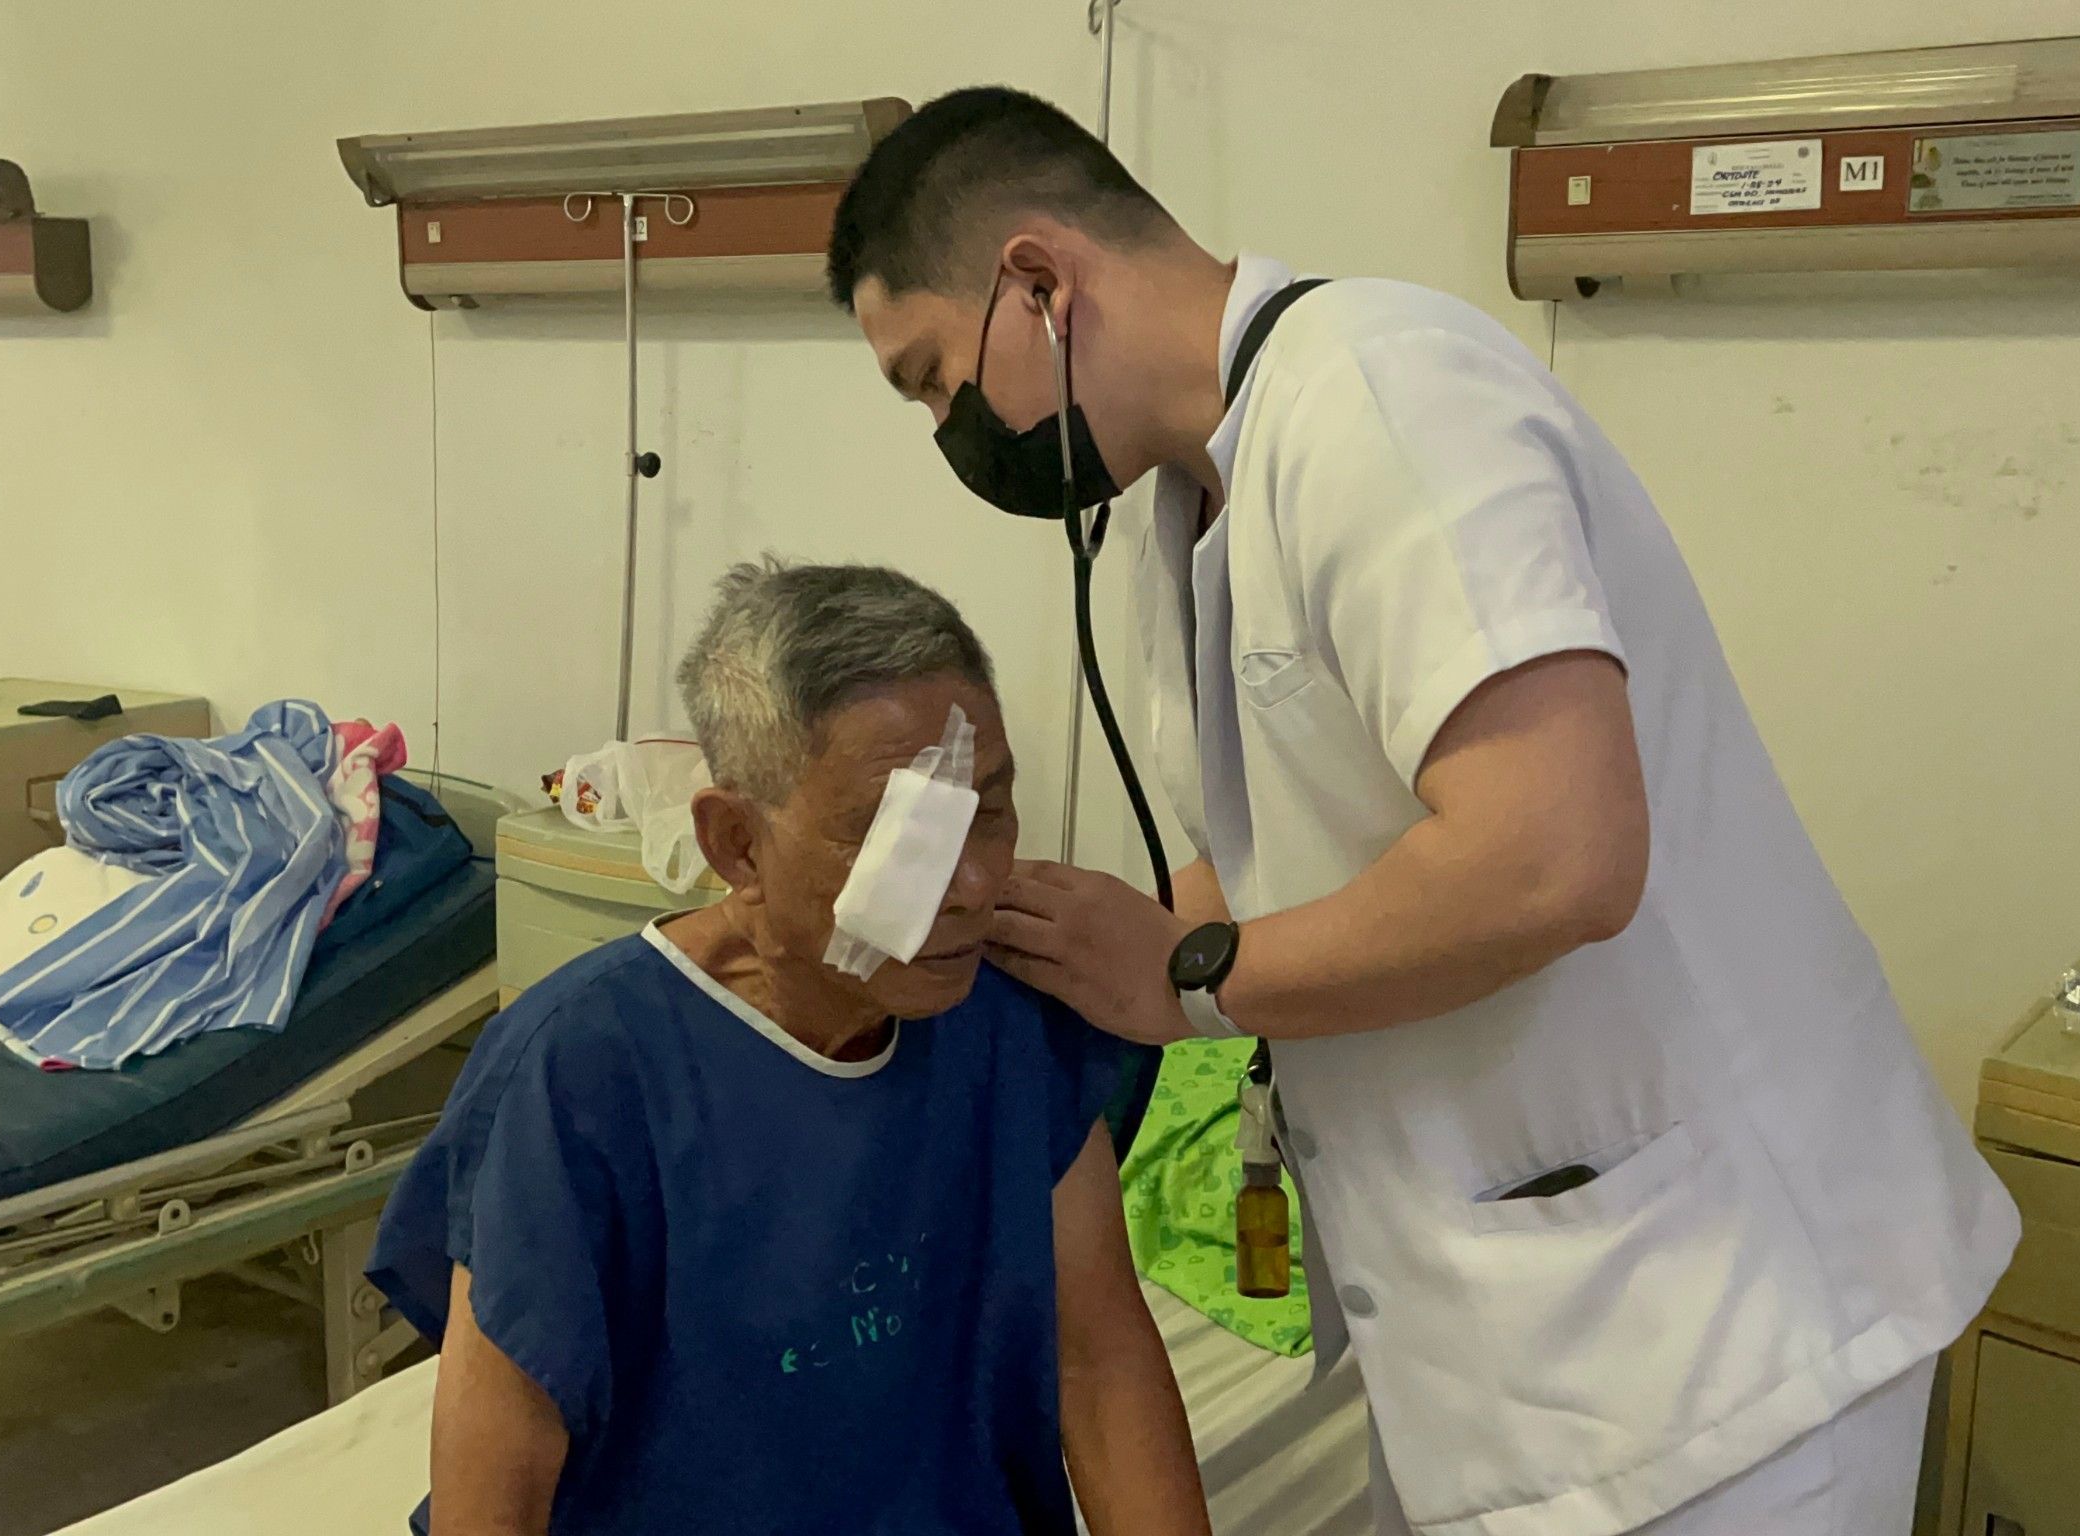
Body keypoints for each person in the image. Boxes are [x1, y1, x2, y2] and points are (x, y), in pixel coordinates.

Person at [826, 87, 2019, 1536]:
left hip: (1714, 1340)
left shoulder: (1381, 395)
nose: (954, 431)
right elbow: (1278, 867)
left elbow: (1554, 858)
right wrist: (1045, 941)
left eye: (935, 378)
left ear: (1036, 278)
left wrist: (1190, 979)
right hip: (1502, 1353)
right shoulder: (1178, 514)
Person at [366, 560, 1207, 1536]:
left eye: (991, 808)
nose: (975, 882)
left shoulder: (1009, 1021)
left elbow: (1096, 1361)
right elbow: (496, 1488)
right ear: (736, 845)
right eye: (909, 838)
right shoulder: (581, 1073)